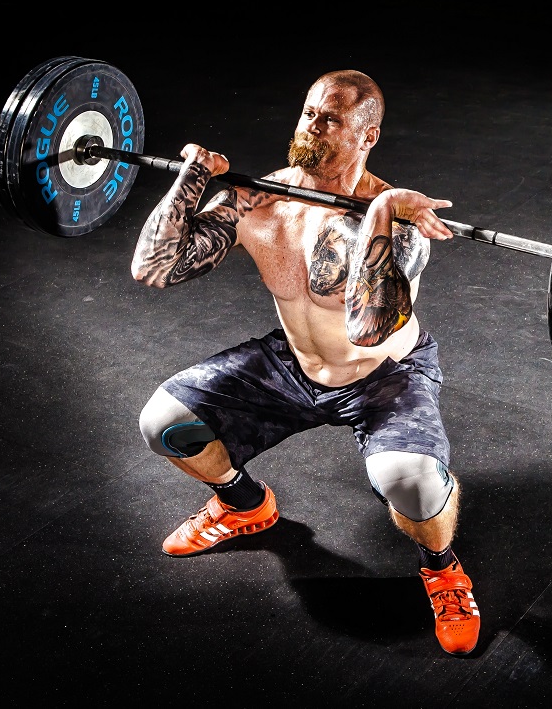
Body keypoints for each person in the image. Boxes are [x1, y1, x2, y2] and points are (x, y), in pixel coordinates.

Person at [129, 69, 480, 656]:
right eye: (309, 112)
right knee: (163, 424)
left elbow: (367, 329)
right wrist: (191, 180)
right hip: (293, 363)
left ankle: (441, 568)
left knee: (408, 482)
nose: (312, 126)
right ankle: (245, 507)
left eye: (332, 118)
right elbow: (155, 267)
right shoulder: (258, 200)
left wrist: (380, 214)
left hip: (382, 374)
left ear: (367, 136)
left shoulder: (398, 219)